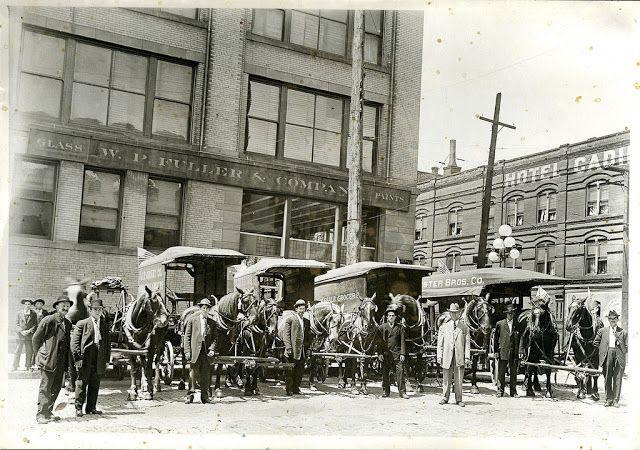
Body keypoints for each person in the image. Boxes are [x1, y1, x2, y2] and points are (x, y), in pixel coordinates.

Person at [32, 295, 73, 424]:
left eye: (67, 306)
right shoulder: (48, 320)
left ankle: (48, 412)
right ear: (56, 306)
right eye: (63, 305)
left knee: (56, 387)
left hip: (61, 362)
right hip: (48, 360)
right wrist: (41, 354)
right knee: (46, 387)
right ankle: (41, 414)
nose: (65, 308)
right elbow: (36, 339)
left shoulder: (67, 323)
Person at [71, 296, 111, 416]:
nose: (98, 312)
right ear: (90, 310)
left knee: (95, 384)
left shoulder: (104, 325)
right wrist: (77, 358)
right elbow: (75, 343)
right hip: (86, 358)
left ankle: (91, 408)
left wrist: (107, 360)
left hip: (99, 358)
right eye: (95, 309)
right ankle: (79, 408)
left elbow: (107, 344)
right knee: (82, 383)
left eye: (100, 309)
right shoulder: (82, 324)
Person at [437, 302, 471, 407]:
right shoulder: (444, 327)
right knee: (446, 377)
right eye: (452, 312)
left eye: (456, 313)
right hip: (447, 355)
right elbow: (440, 343)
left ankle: (459, 399)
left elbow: (467, 344)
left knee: (459, 378)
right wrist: (439, 355)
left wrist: (467, 357)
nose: (454, 315)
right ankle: (445, 397)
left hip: (459, 356)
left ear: (459, 313)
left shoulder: (464, 327)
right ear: (449, 313)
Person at [183, 298, 216, 404]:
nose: (205, 310)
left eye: (207, 308)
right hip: (195, 351)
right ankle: (190, 395)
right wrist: (187, 351)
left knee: (206, 375)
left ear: (209, 310)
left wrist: (212, 349)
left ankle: (204, 397)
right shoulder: (192, 320)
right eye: (203, 308)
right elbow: (187, 336)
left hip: (206, 352)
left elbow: (215, 338)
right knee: (193, 374)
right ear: (200, 308)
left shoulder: (212, 323)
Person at [593, 310, 628, 407]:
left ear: (617, 319)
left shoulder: (623, 332)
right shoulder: (602, 331)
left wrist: (620, 342)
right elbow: (595, 343)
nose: (613, 320)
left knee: (617, 378)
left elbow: (626, 349)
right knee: (607, 377)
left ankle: (616, 400)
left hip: (619, 356)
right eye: (611, 319)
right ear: (608, 320)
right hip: (607, 355)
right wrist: (603, 349)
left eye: (614, 318)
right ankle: (608, 399)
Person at [377, 305, 408, 399]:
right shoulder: (382, 327)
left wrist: (402, 353)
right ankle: (386, 391)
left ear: (395, 317)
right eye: (389, 315)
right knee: (385, 373)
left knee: (400, 372)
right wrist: (379, 353)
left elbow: (403, 341)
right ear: (387, 317)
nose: (391, 317)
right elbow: (379, 343)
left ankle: (402, 392)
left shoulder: (400, 328)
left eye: (392, 315)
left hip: (397, 354)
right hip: (386, 354)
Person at [493, 304, 520, 397]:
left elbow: (520, 339)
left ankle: (513, 392)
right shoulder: (500, 324)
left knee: (513, 373)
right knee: (501, 372)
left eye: (512, 313)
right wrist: (496, 351)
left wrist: (520, 351)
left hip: (513, 352)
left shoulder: (517, 324)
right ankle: (500, 391)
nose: (510, 315)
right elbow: (495, 339)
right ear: (506, 314)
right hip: (503, 351)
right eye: (509, 313)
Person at [283, 299, 307, 396]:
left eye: (303, 309)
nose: (302, 311)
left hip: (302, 351)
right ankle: (289, 389)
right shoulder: (290, 319)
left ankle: (296, 388)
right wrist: (288, 347)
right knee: (290, 370)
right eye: (300, 309)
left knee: (299, 370)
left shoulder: (306, 321)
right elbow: (286, 334)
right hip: (291, 350)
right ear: (296, 309)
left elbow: (308, 336)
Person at [13, 298, 38, 371]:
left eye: (29, 304)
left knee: (29, 351)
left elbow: (35, 324)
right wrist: (21, 331)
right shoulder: (19, 313)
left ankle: (28, 366)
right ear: (24, 305)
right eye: (26, 304)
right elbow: (16, 324)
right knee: (17, 351)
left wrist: (29, 331)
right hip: (20, 335)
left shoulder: (33, 313)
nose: (27, 306)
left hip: (29, 335)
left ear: (31, 305)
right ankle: (15, 366)